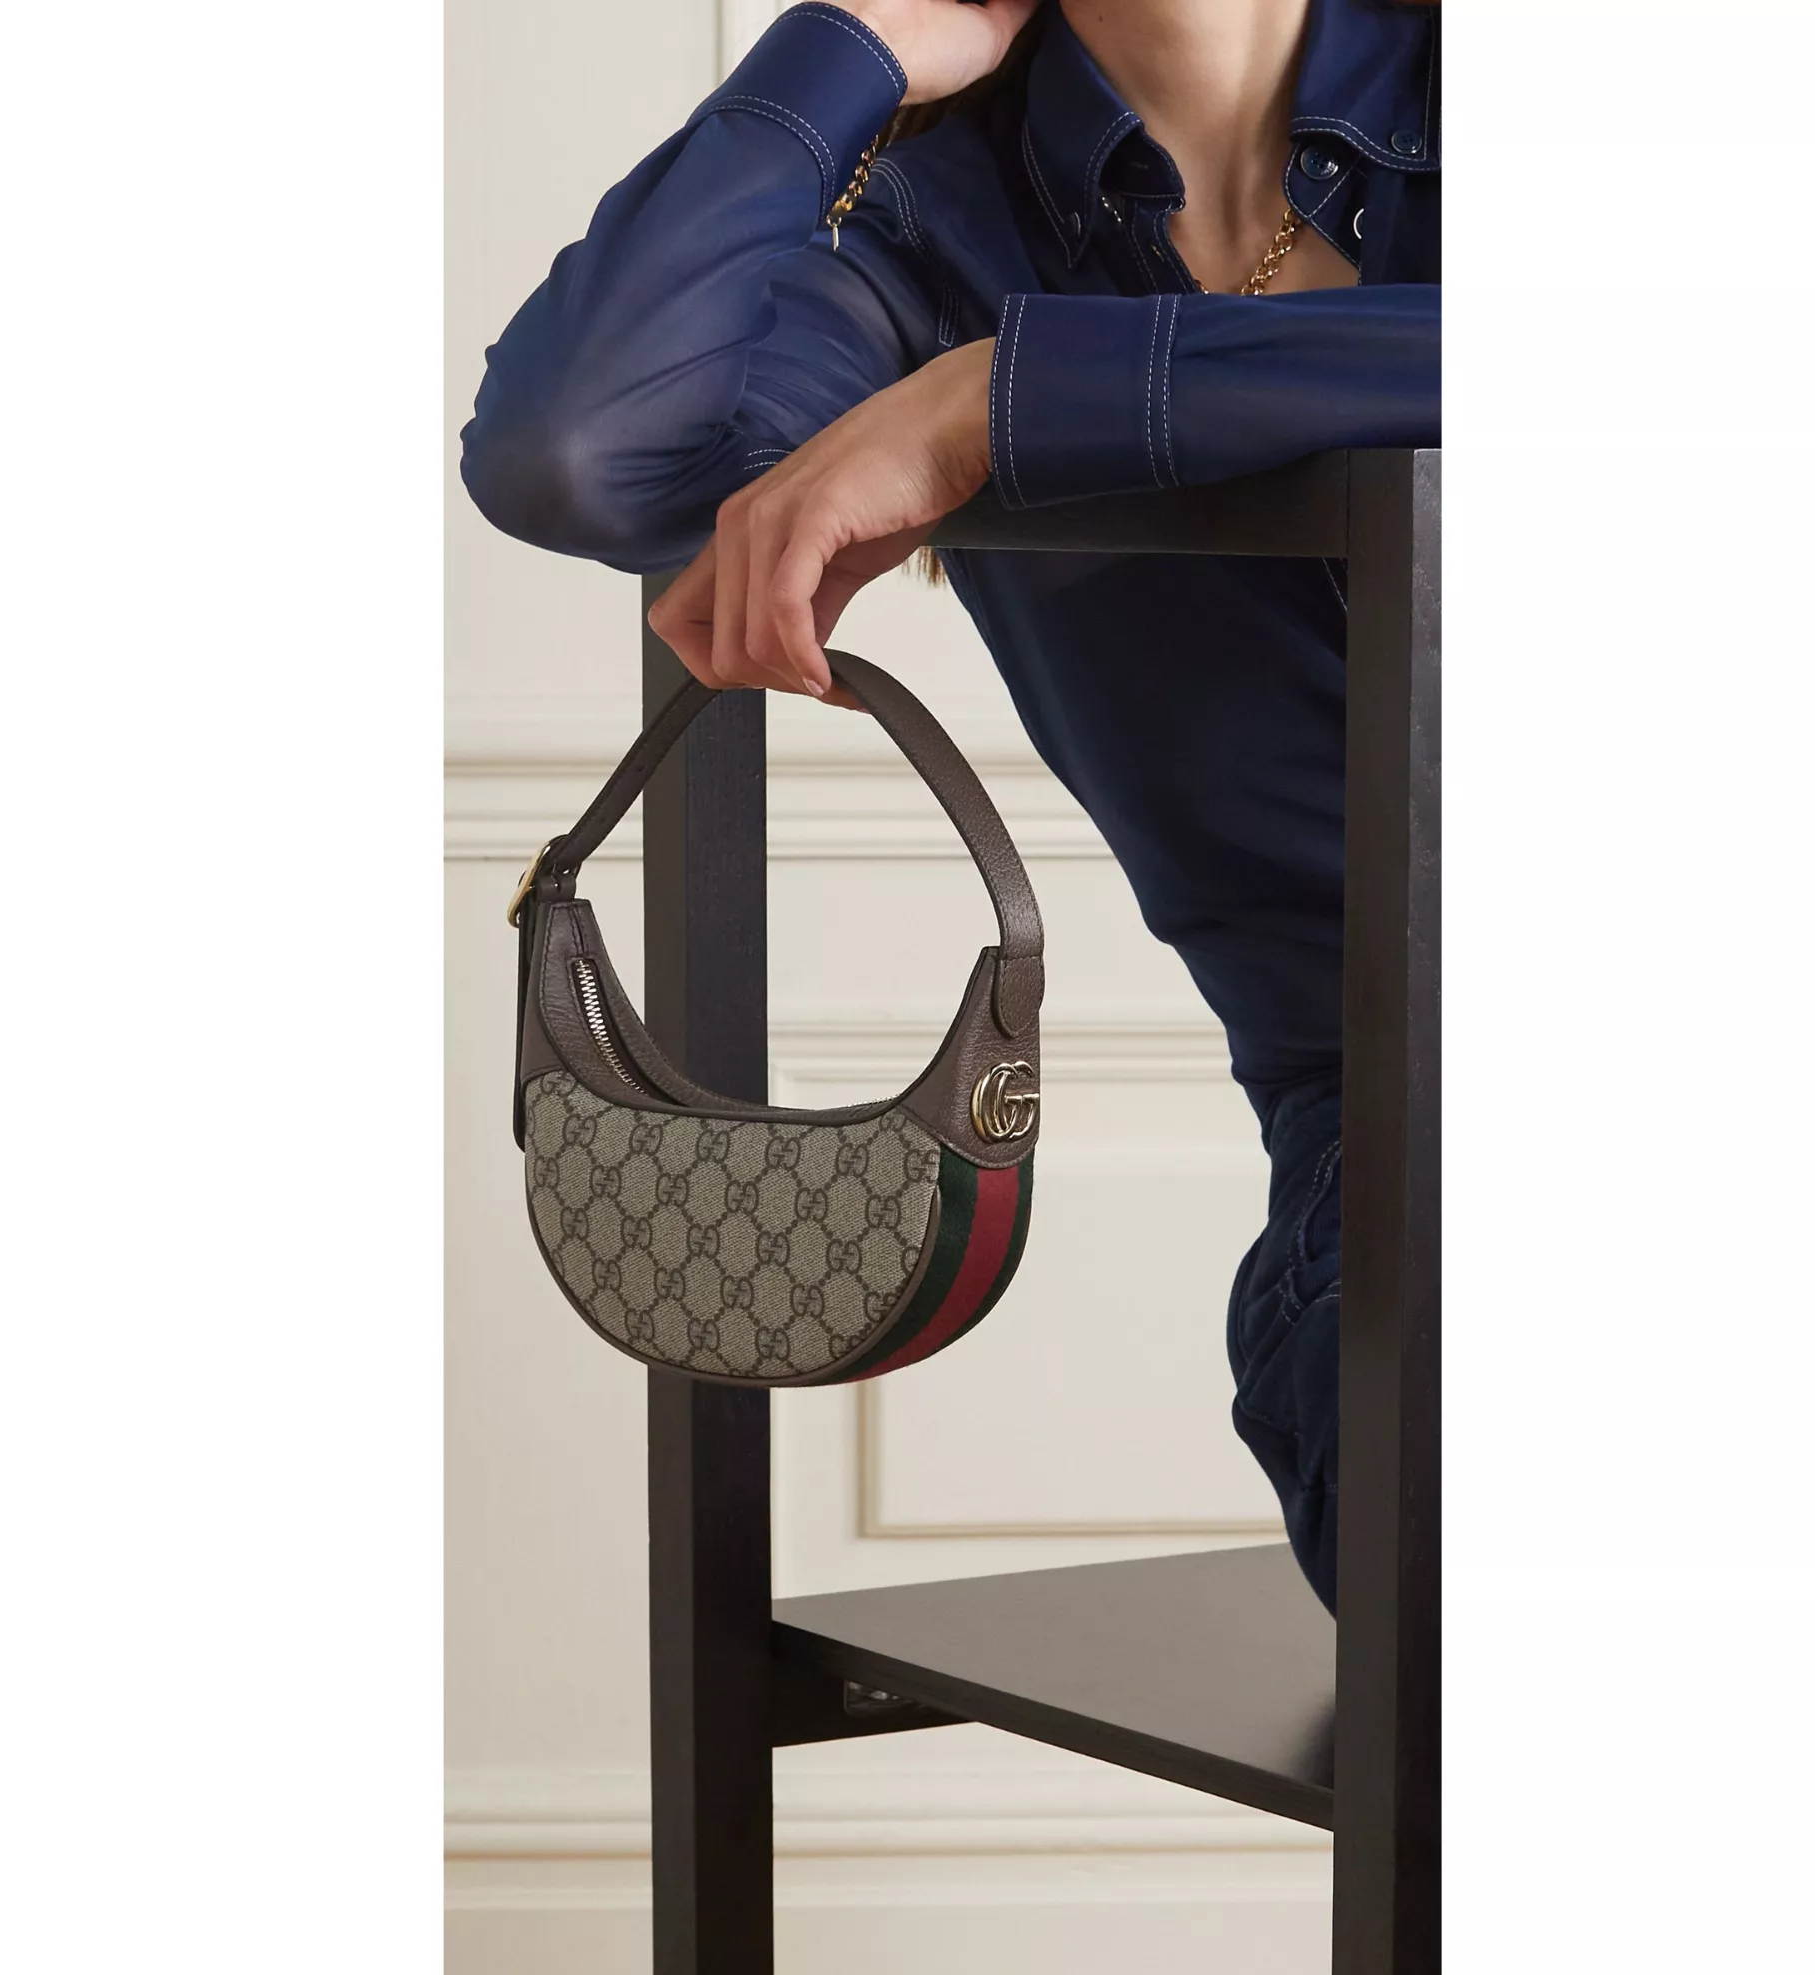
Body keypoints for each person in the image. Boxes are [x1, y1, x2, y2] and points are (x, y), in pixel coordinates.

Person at [461, 0, 1440, 1615]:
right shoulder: (940, 245)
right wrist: (846, 47)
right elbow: (579, 454)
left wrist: (1001, 402)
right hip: (1408, 1190)